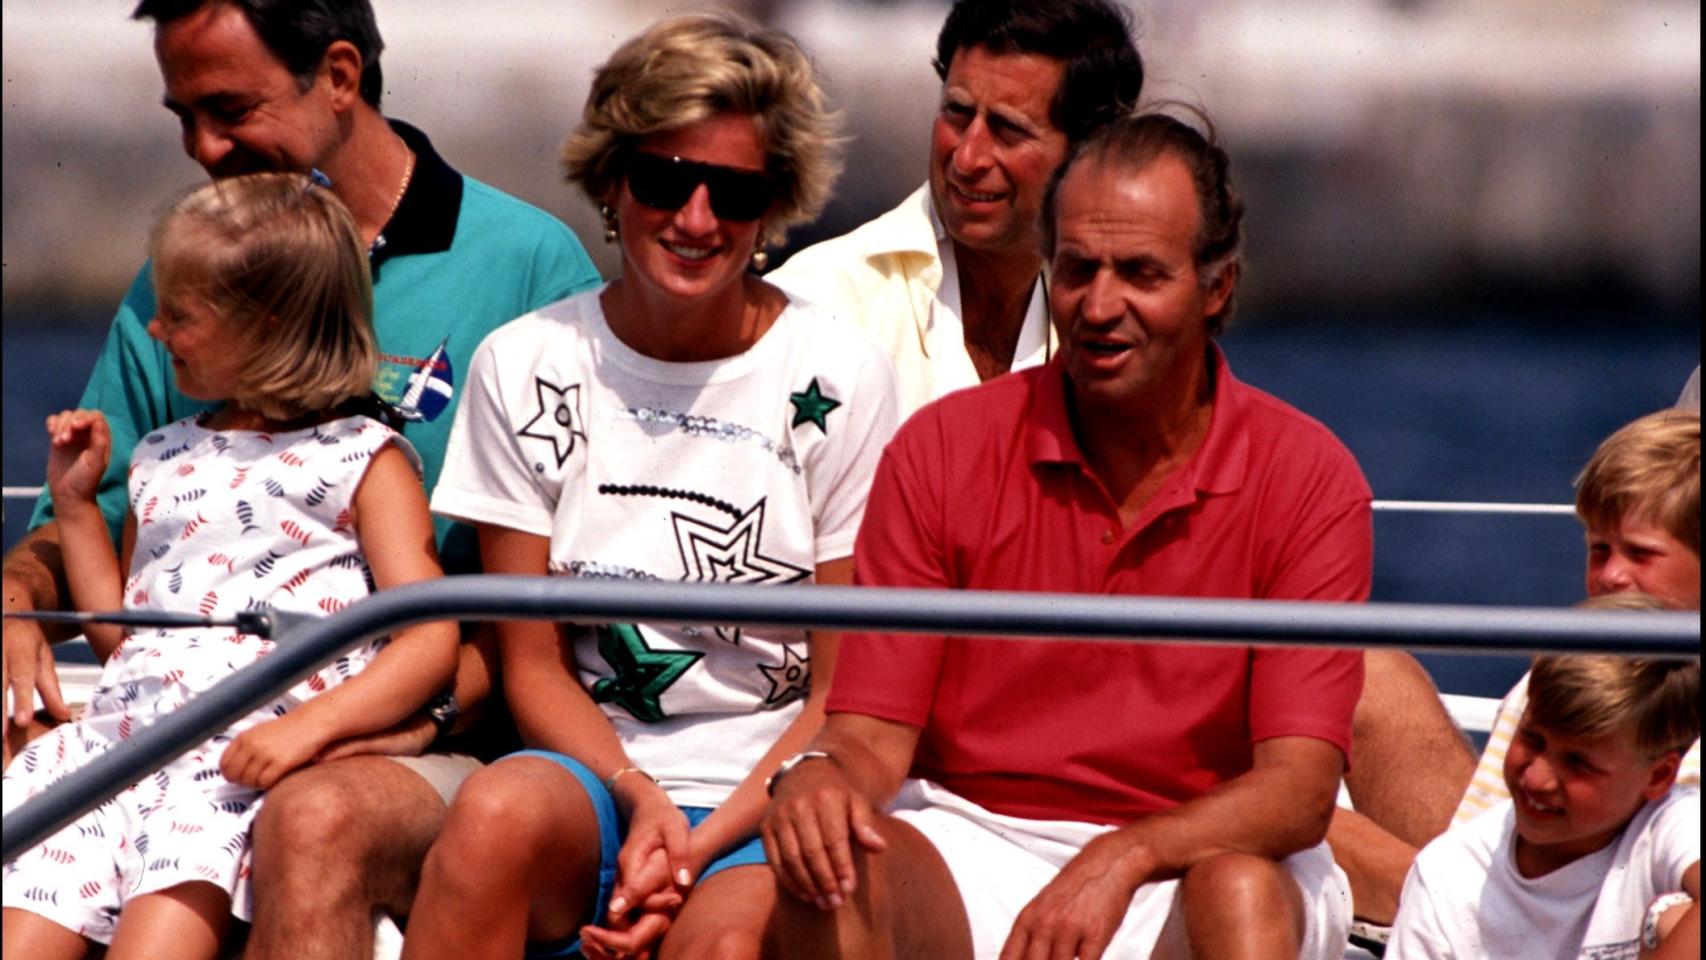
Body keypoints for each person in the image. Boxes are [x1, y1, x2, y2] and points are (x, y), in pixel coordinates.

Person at [0, 2, 601, 956]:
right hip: (186, 728)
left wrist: (406, 717)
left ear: (339, 75)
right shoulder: (192, 272)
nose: (203, 147)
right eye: (181, 116)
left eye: (230, 108)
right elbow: (111, 534)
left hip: (446, 742)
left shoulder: (529, 268)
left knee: (313, 816)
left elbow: (564, 596)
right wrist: (17, 597)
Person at [762, 111, 1370, 960]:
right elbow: (868, 735)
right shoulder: (942, 450)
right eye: (1077, 269)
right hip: (969, 836)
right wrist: (815, 780)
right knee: (832, 875)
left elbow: (1299, 792)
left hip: (1198, 855)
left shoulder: (1307, 474)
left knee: (1242, 889)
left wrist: (1122, 854)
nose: (1099, 305)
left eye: (1141, 274)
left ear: (1218, 287)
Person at [401, 15, 898, 960]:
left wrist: (690, 848)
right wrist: (639, 799)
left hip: (773, 791)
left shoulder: (840, 372)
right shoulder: (525, 362)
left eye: (736, 191)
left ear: (773, 206)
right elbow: (534, 665)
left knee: (719, 947)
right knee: (492, 816)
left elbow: (839, 691)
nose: (697, 219)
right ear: (612, 182)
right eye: (665, 180)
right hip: (594, 777)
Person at [0, 173, 460, 960]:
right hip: (113, 750)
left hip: (231, 774)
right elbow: (125, 642)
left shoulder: (365, 460)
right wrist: (76, 507)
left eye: (180, 314)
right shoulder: (162, 455)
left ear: (265, 327)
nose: (154, 328)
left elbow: (426, 638)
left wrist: (312, 729)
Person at [766, 0, 1142, 415]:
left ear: (1090, 150)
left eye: (1007, 130)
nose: (967, 158)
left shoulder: (1106, 322)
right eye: (957, 114)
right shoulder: (819, 302)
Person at [1387, 616, 1700, 959]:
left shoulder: (1669, 825)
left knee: (1673, 918)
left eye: (1578, 762)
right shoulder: (1446, 876)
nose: (1536, 778)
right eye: (1531, 739)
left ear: (1658, 777)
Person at [1454, 410, 1701, 826]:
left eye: (1640, 554)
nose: (1610, 575)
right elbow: (1481, 844)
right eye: (1599, 549)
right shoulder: (1549, 680)